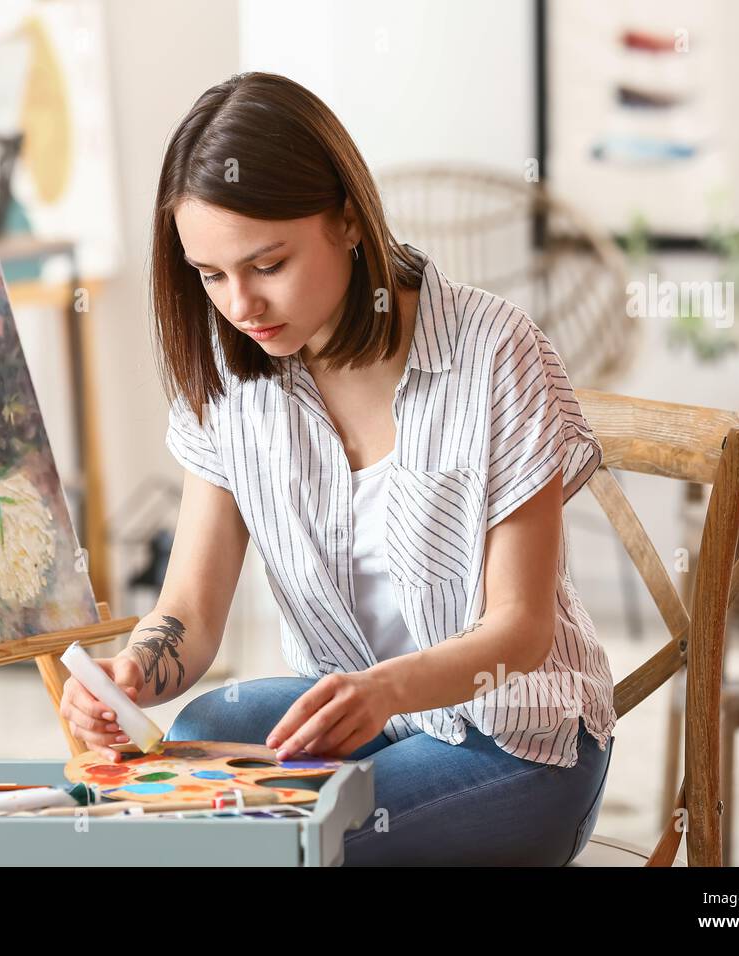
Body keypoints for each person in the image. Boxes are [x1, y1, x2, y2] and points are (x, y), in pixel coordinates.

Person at [60, 71, 616, 865]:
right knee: (200, 733)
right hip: (361, 716)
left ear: (349, 220)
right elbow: (190, 606)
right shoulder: (232, 379)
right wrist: (133, 674)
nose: (241, 305)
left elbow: (520, 632)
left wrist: (386, 688)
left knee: (297, 840)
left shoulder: (493, 349)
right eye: (211, 276)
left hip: (516, 736)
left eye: (268, 263)